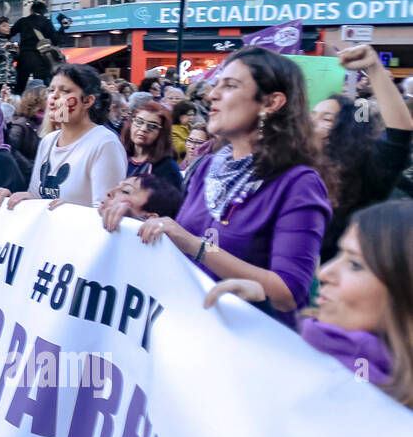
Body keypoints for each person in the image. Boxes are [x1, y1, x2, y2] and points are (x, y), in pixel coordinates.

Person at [134, 47, 330, 328]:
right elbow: (176, 239)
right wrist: (134, 220)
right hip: (187, 334)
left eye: (230, 85)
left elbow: (288, 293)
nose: (213, 94)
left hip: (249, 349)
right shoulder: (205, 167)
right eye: (216, 84)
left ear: (271, 102)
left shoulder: (298, 183)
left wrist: (197, 247)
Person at [205, 201, 413, 410]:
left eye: (355, 264)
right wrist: (259, 311)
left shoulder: (374, 414)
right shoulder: (325, 353)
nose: (324, 273)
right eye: (339, 256)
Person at [312, 44, 413, 263]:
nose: (312, 123)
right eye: (312, 115)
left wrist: (374, 69)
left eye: (326, 119)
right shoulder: (288, 168)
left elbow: (399, 132)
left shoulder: (363, 169)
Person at [0, 64, 127, 210]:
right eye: (51, 90)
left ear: (87, 101)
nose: (54, 96)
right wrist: (12, 198)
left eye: (65, 91)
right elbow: (36, 196)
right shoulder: (48, 141)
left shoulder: (105, 144)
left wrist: (69, 211)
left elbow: (107, 212)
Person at [120, 100, 182, 192]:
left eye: (152, 126)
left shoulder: (167, 167)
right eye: (139, 122)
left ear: (162, 133)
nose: (143, 129)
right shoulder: (119, 155)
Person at [12, 1, 67, 94]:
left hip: (24, 57)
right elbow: (56, 40)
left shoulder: (22, 21)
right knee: (40, 86)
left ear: (31, 10)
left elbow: (10, 33)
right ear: (44, 12)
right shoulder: (46, 22)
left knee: (20, 86)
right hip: (40, 58)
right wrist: (62, 28)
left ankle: (17, 104)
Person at [6, 86, 45, 169]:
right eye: (46, 98)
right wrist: (32, 167)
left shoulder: (42, 122)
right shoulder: (21, 125)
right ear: (37, 101)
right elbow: (11, 148)